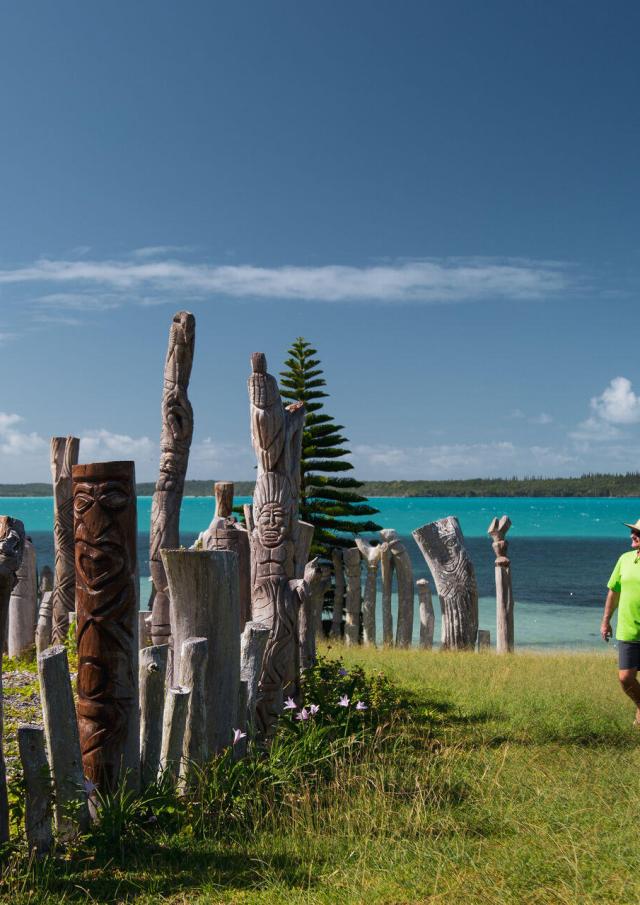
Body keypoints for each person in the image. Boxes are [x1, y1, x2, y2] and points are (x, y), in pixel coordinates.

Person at [601, 519, 640, 723]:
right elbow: (613, 592)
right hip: (628, 630)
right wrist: (606, 621)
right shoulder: (624, 559)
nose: (633, 535)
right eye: (633, 532)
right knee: (625, 678)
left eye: (638, 533)